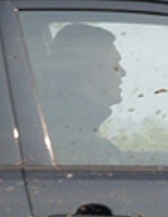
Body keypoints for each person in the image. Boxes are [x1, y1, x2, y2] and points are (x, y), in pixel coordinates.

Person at [39, 23, 124, 164]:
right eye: (115, 65)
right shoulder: (71, 142)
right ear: (93, 72)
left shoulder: (61, 127)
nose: (123, 72)